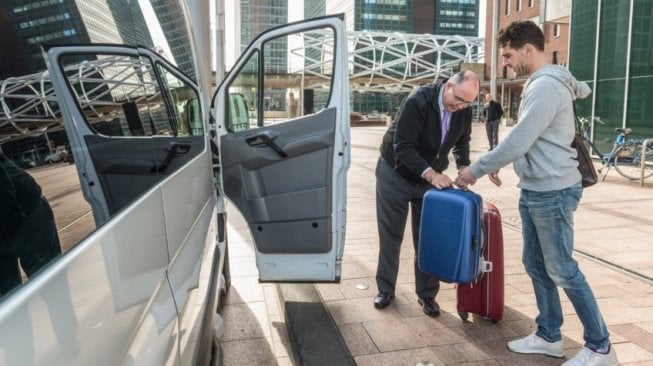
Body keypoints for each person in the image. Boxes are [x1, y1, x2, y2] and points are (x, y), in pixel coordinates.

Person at [455, 20, 619, 366]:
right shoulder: (540, 84)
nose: (505, 63)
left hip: (552, 191)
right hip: (537, 188)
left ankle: (601, 346)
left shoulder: (546, 86)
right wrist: (505, 161)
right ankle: (549, 335)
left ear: (528, 49)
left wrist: (477, 169)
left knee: (562, 269)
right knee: (536, 265)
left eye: (508, 55)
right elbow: (530, 138)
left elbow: (520, 137)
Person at [373, 70, 480, 316]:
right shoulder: (418, 100)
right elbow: (403, 146)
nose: (461, 106)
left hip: (428, 181)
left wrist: (464, 166)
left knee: (428, 238)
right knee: (391, 236)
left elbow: (463, 140)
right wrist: (432, 174)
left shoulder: (463, 107)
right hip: (395, 174)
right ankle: (386, 289)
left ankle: (427, 296)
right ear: (449, 85)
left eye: (467, 103)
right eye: (459, 99)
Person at [0, 149, 62, 295]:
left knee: (49, 284)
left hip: (29, 215)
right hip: (5, 226)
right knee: (7, 297)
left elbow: (6, 195)